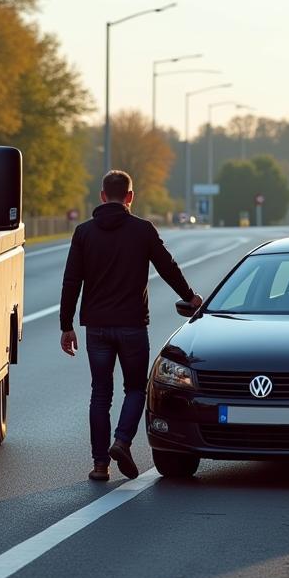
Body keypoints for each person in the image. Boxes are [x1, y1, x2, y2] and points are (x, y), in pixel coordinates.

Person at [60, 170, 202, 481]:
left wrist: (66, 325)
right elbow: (167, 267)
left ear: (101, 196)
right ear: (130, 197)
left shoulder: (84, 233)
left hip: (96, 327)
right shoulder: (142, 230)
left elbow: (72, 280)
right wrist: (190, 297)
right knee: (136, 388)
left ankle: (100, 465)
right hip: (132, 326)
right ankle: (122, 441)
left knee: (100, 394)